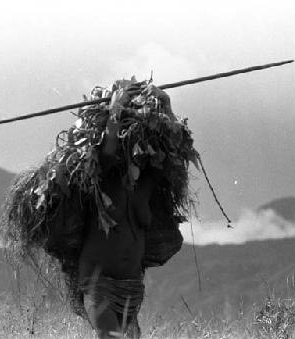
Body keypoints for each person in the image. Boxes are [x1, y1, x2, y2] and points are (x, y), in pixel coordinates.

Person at [77, 85, 173, 339]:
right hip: (99, 286)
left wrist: (165, 106)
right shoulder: (107, 178)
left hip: (130, 289)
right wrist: (115, 111)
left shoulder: (146, 186)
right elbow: (107, 150)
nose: (138, 155)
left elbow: (171, 151)